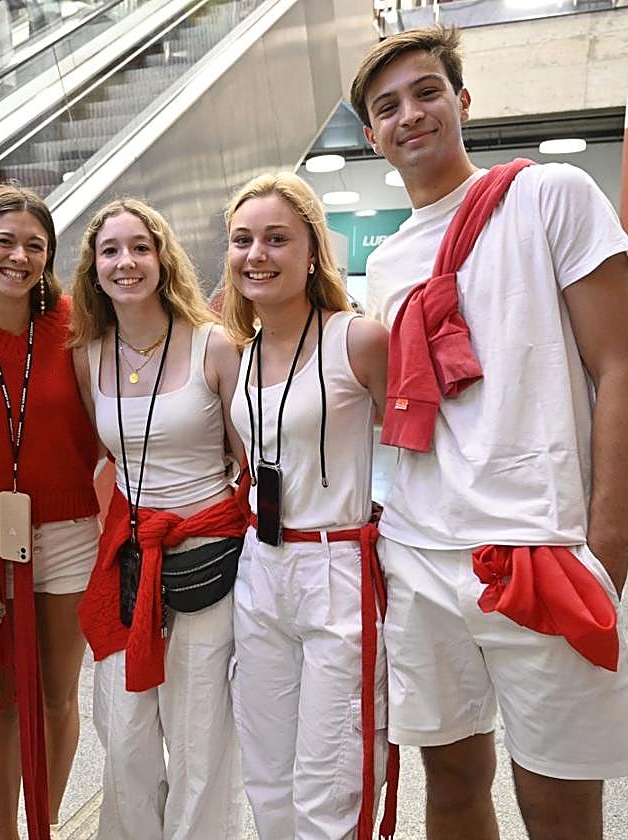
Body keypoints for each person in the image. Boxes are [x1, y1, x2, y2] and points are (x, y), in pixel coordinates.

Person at [349, 25, 628, 840]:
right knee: (451, 779)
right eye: (387, 107)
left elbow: (623, 372)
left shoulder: (550, 194)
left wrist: (607, 552)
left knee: (557, 796)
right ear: (371, 135)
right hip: (420, 550)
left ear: (462, 101)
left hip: (539, 544)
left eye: (426, 93)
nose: (410, 115)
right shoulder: (388, 262)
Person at [221, 173, 394, 840]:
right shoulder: (243, 351)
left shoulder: (358, 339)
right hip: (260, 566)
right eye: (242, 240)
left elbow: (421, 445)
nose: (256, 254)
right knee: (266, 769)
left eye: (276, 239)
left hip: (336, 568)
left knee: (331, 773)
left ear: (313, 251)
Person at [70, 199, 246, 839]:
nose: (126, 262)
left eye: (140, 247)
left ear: (162, 256)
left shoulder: (214, 344)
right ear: (93, 267)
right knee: (123, 735)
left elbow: (246, 457)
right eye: (111, 250)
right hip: (129, 563)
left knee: (200, 741)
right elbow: (102, 461)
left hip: (208, 562)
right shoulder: (90, 356)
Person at [0, 184, 99, 840]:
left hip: (68, 530)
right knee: (3, 701)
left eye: (35, 245)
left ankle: (47, 823)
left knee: (60, 694)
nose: (18, 256)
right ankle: (8, 834)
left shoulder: (78, 322)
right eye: (4, 241)